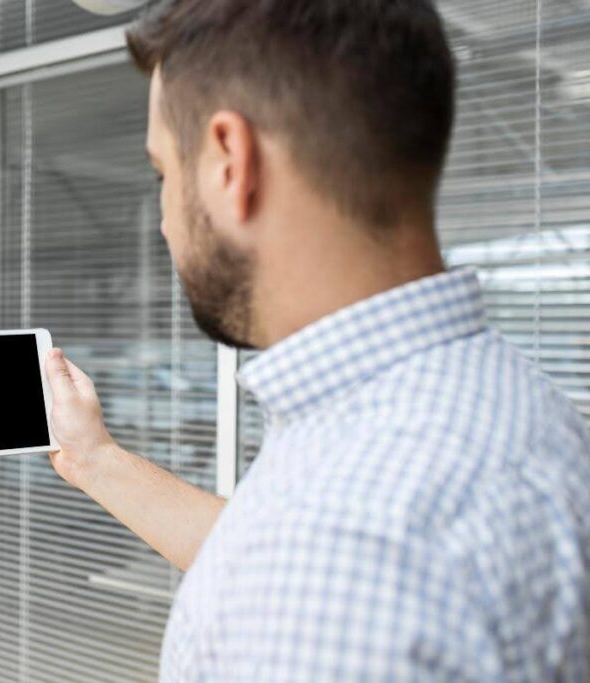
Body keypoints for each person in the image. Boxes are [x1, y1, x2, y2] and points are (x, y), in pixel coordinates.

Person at [43, 0, 590, 679]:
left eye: (163, 175)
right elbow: (266, 546)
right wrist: (94, 458)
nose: (161, 224)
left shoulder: (337, 558)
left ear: (229, 161)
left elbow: (311, 563)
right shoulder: (503, 402)